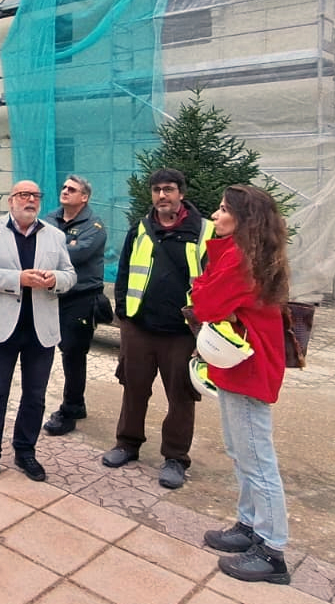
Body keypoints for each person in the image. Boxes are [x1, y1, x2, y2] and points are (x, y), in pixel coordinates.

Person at [193, 184, 292, 585]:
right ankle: (249, 525)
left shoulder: (239, 259)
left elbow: (205, 304)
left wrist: (204, 278)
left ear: (243, 218)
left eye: (222, 210)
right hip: (239, 367)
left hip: (248, 370)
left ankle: (272, 550)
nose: (215, 216)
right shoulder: (249, 253)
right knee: (241, 451)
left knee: (257, 459)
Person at [103, 167, 214, 489]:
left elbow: (213, 280)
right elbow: (124, 271)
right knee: (133, 387)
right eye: (156, 190)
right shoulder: (140, 229)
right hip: (140, 327)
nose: (162, 195)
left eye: (168, 189)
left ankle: (176, 457)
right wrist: (124, 314)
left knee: (181, 396)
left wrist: (204, 327)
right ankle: (127, 444)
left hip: (182, 332)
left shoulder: (205, 231)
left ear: (181, 193)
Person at [0, 181, 74, 484]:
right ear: (10, 200)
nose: (30, 200)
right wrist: (18, 279)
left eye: (36, 196)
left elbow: (70, 275)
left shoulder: (54, 235)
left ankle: (25, 451)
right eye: (24, 195)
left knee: (35, 396)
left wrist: (55, 279)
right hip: (3, 328)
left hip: (41, 330)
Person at [43, 174, 108, 435]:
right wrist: (65, 245)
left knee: (73, 354)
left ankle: (71, 409)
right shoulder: (50, 218)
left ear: (84, 197)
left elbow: (79, 253)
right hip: (51, 295)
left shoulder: (95, 225)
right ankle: (75, 404)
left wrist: (54, 249)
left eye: (72, 189)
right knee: (46, 348)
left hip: (81, 297)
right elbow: (37, 244)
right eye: (64, 187)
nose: (65, 190)